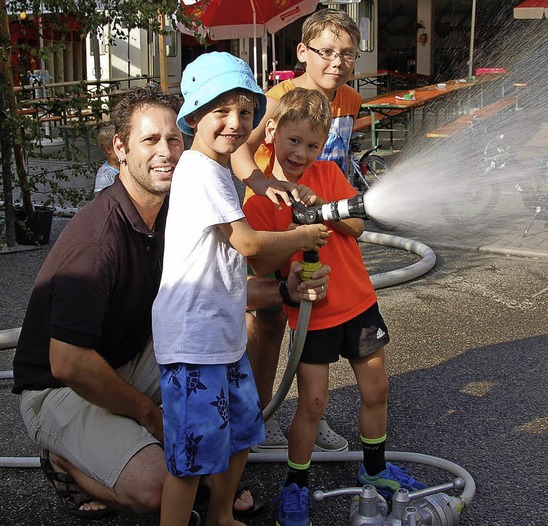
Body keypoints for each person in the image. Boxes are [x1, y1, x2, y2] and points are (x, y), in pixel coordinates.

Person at [11, 85, 329, 522]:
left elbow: (212, 292)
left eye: (173, 140)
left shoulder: (173, 210)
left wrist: (284, 292)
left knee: (223, 406)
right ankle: (65, 461)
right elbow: (68, 362)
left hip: (132, 355)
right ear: (118, 149)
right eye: (149, 140)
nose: (166, 152)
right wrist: (147, 415)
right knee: (160, 487)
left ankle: (168, 448)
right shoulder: (96, 240)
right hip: (61, 386)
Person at [151, 52, 330, 526]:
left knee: (242, 432)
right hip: (193, 342)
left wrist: (266, 180)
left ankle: (221, 516)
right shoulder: (195, 171)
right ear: (193, 117)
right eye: (221, 112)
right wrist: (302, 236)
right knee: (192, 458)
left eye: (245, 112)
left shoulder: (219, 167)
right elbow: (247, 241)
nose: (234, 123)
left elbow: (243, 164)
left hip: (222, 337)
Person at [243, 88, 427, 526]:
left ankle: (376, 467)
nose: (301, 153)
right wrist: (293, 226)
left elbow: (358, 223)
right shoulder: (260, 198)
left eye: (311, 145)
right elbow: (262, 263)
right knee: (313, 402)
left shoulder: (326, 174)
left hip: (359, 303)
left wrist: (322, 211)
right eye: (293, 141)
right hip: (313, 316)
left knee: (376, 390)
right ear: (272, 132)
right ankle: (296, 485)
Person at [232, 7, 362, 454]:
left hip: (320, 216)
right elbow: (238, 154)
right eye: (326, 51)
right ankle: (257, 416)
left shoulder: (349, 99)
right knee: (268, 319)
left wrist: (334, 205)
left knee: (318, 314)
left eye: (347, 54)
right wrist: (266, 184)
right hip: (272, 220)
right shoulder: (275, 99)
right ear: (304, 52)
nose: (337, 62)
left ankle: (312, 413)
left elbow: (335, 158)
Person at [93, 124, 120, 194]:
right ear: (108, 149)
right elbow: (102, 202)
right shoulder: (104, 176)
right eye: (119, 147)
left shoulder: (128, 167)